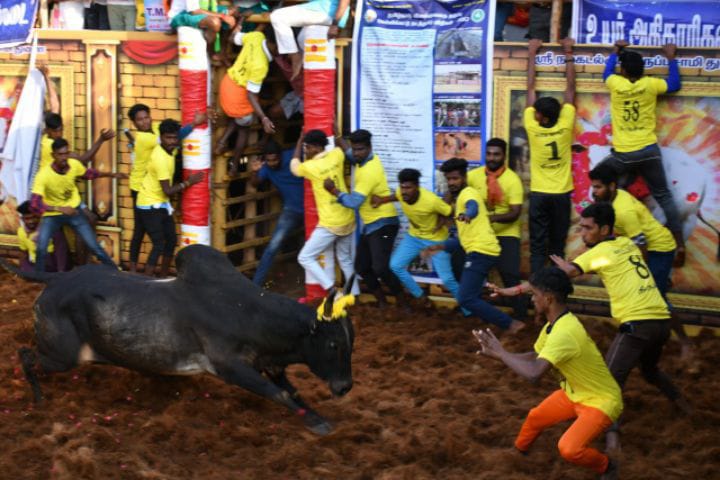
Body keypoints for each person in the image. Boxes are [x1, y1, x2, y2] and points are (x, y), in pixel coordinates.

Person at [547, 203, 689, 450]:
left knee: (607, 386)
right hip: (661, 323)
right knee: (650, 370)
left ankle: (613, 445)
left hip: (638, 325)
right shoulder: (625, 244)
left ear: (604, 229)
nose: (583, 234)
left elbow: (569, 272)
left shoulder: (598, 252)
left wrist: (563, 268)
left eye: (588, 228)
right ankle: (684, 406)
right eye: (581, 228)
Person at [475, 267, 622, 479]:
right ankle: (517, 453)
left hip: (601, 401)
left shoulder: (565, 333)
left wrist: (502, 354)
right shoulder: (553, 326)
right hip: (574, 392)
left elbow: (534, 374)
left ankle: (607, 466)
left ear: (549, 299)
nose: (532, 299)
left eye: (534, 294)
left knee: (569, 448)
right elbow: (535, 356)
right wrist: (502, 354)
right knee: (535, 417)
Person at [588, 163, 696, 368]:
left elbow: (642, 245)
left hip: (658, 248)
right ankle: (661, 281)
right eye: (593, 187)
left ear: (612, 186)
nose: (594, 192)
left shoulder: (623, 210)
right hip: (648, 248)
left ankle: (686, 342)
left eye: (598, 187)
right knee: (654, 290)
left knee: (657, 299)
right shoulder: (611, 198)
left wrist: (642, 274)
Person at [599, 40, 685, 265]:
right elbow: (674, 84)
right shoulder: (650, 84)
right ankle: (680, 244)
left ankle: (604, 236)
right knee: (664, 196)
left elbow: (605, 73)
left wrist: (615, 51)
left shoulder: (616, 83)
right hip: (648, 151)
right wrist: (671, 57)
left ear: (624, 70)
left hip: (623, 155)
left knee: (601, 182)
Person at [424, 158, 524, 333]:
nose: (451, 183)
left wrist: (468, 214)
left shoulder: (468, 193)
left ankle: (511, 324)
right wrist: (439, 247)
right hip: (481, 249)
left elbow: (473, 206)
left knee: (465, 298)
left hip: (481, 252)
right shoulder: (460, 198)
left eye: (455, 179)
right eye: (449, 179)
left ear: (463, 177)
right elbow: (464, 238)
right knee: (469, 293)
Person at [322, 129, 403, 306]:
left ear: (369, 147)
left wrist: (333, 190)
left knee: (380, 268)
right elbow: (349, 154)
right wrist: (337, 135)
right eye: (354, 149)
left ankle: (403, 302)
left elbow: (353, 202)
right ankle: (382, 303)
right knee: (362, 267)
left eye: (360, 150)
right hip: (373, 225)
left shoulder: (368, 172)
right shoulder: (366, 159)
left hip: (384, 222)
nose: (356, 153)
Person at [126, 104, 206, 272]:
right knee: (140, 232)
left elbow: (172, 136)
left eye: (146, 117)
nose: (144, 122)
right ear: (134, 123)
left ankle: (151, 274)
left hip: (155, 187)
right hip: (140, 187)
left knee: (157, 236)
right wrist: (194, 123)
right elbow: (177, 137)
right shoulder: (144, 139)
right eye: (139, 120)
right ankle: (133, 272)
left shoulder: (156, 129)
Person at [30, 138, 125, 272]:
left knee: (94, 246)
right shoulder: (43, 175)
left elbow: (89, 174)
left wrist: (111, 174)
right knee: (41, 246)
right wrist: (60, 209)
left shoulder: (74, 165)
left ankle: (116, 273)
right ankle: (38, 278)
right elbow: (35, 204)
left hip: (74, 212)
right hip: (52, 215)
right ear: (53, 155)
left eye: (66, 153)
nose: (64, 158)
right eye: (60, 154)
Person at [372, 168, 461, 308]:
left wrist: (442, 221)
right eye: (402, 187)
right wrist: (381, 200)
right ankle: (421, 297)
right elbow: (395, 196)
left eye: (408, 188)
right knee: (395, 265)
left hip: (436, 240)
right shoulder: (402, 194)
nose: (404, 191)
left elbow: (450, 212)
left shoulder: (431, 201)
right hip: (413, 237)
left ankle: (468, 308)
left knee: (447, 279)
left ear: (417, 187)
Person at [525, 37, 576, 275]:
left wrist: (532, 54)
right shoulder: (565, 125)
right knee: (557, 249)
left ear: (543, 118)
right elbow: (570, 89)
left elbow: (530, 88)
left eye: (536, 113)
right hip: (561, 197)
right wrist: (568, 52)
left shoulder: (533, 129)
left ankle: (536, 297)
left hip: (540, 195)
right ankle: (555, 294)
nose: (533, 114)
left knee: (537, 249)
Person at [290, 129, 356, 295]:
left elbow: (294, 167)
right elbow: (343, 148)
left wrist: (298, 142)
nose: (306, 150)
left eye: (307, 147)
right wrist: (336, 130)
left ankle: (332, 289)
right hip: (348, 218)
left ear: (316, 148)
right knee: (345, 260)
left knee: (304, 257)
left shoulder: (311, 167)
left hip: (331, 223)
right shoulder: (337, 155)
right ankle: (354, 296)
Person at [468, 138, 527, 318]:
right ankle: (474, 311)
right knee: (471, 273)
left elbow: (515, 213)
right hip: (481, 236)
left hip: (507, 234)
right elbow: (460, 195)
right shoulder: (473, 176)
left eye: (497, 154)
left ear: (504, 156)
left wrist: (488, 218)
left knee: (510, 275)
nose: (492, 158)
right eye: (489, 154)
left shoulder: (512, 180)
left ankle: (521, 316)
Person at [216, 28, 277, 176]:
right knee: (245, 126)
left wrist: (241, 22)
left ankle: (222, 142)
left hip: (227, 83)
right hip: (237, 96)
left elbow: (233, 38)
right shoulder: (261, 66)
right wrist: (264, 118)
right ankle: (234, 165)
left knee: (240, 119)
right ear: (272, 44)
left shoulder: (256, 35)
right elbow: (250, 95)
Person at [248, 139, 304, 286]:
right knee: (272, 246)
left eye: (275, 160)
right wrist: (254, 171)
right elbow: (255, 183)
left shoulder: (293, 156)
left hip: (313, 208)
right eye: (269, 160)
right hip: (291, 210)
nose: (272, 163)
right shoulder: (266, 167)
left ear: (281, 155)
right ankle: (255, 285)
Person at [270, 0, 350, 80]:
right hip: (318, 11)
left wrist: (334, 24)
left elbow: (345, 2)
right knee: (302, 39)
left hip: (325, 13)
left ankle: (294, 55)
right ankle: (308, 79)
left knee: (277, 16)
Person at [16, 200, 69, 273]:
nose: (31, 221)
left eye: (34, 217)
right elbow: (24, 253)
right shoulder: (21, 232)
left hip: (52, 266)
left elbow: (61, 251)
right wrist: (25, 269)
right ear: (22, 219)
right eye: (27, 218)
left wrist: (61, 272)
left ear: (40, 216)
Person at [166, 0, 236, 46]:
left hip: (198, 10)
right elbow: (194, 11)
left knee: (232, 11)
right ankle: (207, 53)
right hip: (179, 16)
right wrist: (222, 16)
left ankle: (221, 53)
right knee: (214, 22)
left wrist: (225, 15)